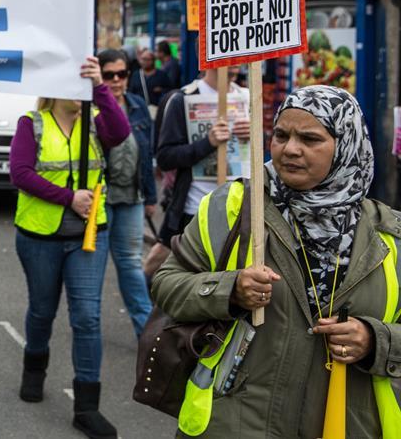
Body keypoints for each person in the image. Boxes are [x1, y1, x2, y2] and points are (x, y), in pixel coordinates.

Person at [151, 86, 401, 437]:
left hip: (344, 424)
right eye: (281, 135)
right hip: (238, 423)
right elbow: (166, 283)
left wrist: (375, 340)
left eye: (310, 139)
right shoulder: (234, 207)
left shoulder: (389, 235)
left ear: (347, 144)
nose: (290, 149)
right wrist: (230, 290)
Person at [8, 56, 130, 439]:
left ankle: (87, 407)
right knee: (42, 310)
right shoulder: (33, 124)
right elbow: (20, 173)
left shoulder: (96, 122)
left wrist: (99, 86)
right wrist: (67, 197)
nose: (79, 95)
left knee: (87, 318)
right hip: (40, 236)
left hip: (89, 236)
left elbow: (121, 133)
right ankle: (34, 369)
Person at [150, 66, 250, 278]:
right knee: (189, 281)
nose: (236, 60)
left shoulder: (247, 97)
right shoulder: (183, 99)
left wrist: (254, 135)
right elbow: (165, 157)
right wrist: (208, 143)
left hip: (239, 206)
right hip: (195, 209)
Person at [96, 49, 154, 338]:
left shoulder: (138, 106)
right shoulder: (92, 108)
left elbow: (148, 153)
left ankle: (147, 332)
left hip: (133, 198)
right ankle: (87, 323)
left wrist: (152, 198)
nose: (117, 80)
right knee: (93, 266)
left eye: (122, 74)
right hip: (100, 199)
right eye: (109, 75)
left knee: (131, 264)